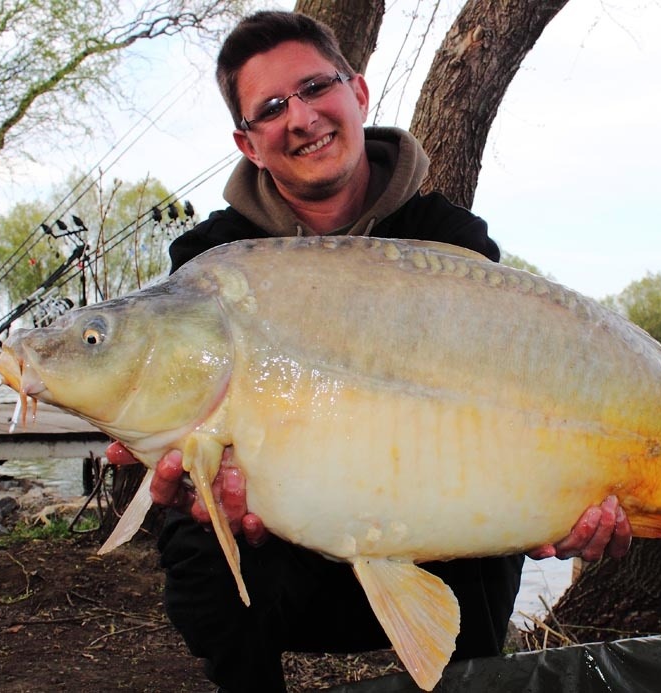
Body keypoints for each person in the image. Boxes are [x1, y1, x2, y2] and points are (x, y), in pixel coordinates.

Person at [107, 10, 632, 692]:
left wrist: (570, 501)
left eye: (315, 88)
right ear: (247, 142)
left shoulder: (450, 242)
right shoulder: (210, 262)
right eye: (270, 108)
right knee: (200, 543)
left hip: (433, 522)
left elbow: (508, 409)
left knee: (491, 543)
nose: (300, 117)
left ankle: (466, 680)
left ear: (357, 94)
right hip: (283, 546)